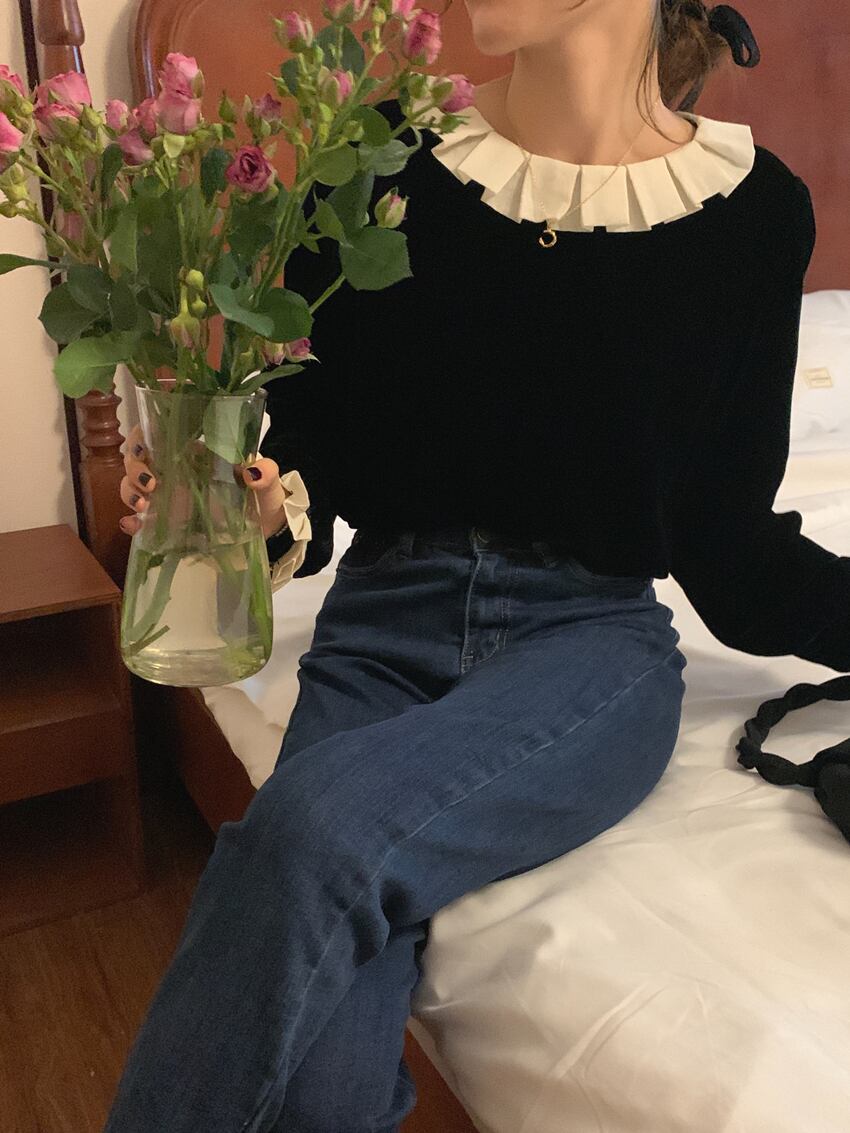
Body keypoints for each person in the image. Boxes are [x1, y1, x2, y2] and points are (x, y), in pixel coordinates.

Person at [109, 1, 850, 1130]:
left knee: (313, 829)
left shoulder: (753, 217)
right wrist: (249, 505)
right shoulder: (374, 161)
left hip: (589, 646)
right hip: (378, 621)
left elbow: (728, 545)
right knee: (319, 1075)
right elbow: (313, 449)